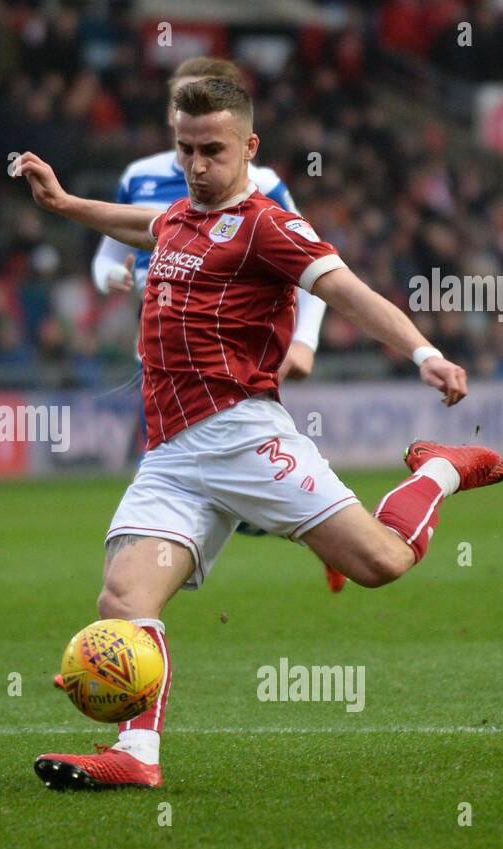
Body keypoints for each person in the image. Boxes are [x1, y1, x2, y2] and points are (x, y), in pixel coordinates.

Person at [17, 78, 503, 790]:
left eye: (212, 149)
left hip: (244, 437)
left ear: (249, 147)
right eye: (184, 149)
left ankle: (439, 470)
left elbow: (348, 293)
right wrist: (64, 206)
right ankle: (138, 757)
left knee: (382, 564)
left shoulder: (267, 227)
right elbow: (139, 223)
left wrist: (425, 354)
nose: (195, 164)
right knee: (122, 603)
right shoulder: (180, 219)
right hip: (171, 455)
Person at [92, 56, 347, 596]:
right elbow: (108, 252)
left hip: (228, 355)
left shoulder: (264, 186)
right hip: (160, 349)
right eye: (183, 104)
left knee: (222, 470)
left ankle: (330, 533)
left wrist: (305, 340)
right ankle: (152, 583)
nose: (197, 156)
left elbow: (314, 264)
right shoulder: (140, 176)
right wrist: (112, 276)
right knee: (192, 473)